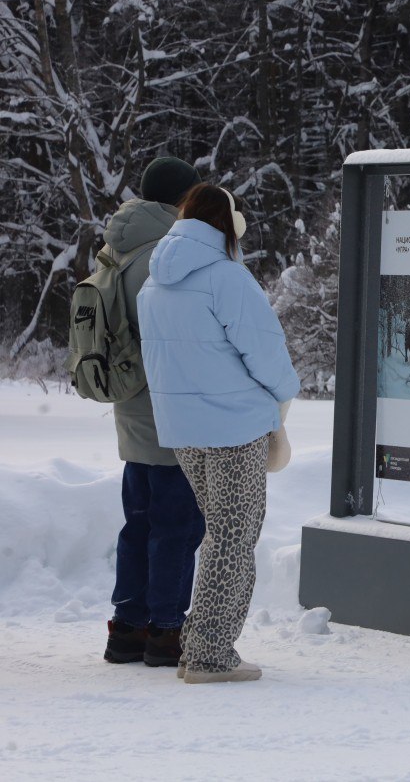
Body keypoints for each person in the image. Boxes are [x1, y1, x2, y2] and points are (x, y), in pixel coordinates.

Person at [137, 182, 299, 683]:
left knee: (221, 533)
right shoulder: (227, 278)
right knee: (233, 537)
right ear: (225, 228)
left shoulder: (154, 281)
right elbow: (267, 353)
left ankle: (198, 647)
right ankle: (209, 653)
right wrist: (283, 395)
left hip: (185, 430)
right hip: (234, 425)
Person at [103, 156, 206, 668]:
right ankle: (166, 631)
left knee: (138, 524)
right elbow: (184, 339)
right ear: (181, 200)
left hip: (131, 411)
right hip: (169, 414)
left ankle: (127, 628)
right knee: (177, 527)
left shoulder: (117, 247)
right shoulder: (165, 256)